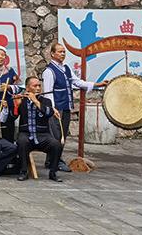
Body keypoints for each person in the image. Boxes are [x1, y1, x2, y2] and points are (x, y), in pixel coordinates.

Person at [41, 42, 107, 172]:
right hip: (56, 108)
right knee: (56, 136)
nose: (62, 54)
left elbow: (77, 82)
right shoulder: (49, 71)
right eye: (59, 52)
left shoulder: (66, 68)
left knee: (62, 135)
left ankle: (51, 160)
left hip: (65, 106)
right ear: (52, 54)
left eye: (64, 52)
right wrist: (52, 109)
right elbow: (48, 93)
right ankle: (56, 161)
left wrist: (97, 84)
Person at [15, 76, 64, 182]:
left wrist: (36, 101)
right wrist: (15, 106)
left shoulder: (46, 101)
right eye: (35, 86)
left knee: (57, 145)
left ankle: (53, 172)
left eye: (39, 86)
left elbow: (48, 113)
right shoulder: (22, 100)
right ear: (27, 88)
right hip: (26, 133)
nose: (38, 88)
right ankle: (23, 171)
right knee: (21, 141)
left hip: (42, 135)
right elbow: (11, 117)